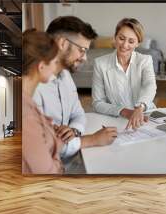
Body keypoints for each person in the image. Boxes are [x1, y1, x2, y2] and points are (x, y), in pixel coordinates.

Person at [33, 16, 117, 170]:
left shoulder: (65, 76)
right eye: (82, 50)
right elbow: (42, 147)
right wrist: (92, 140)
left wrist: (74, 130)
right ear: (63, 44)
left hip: (71, 157)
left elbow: (78, 113)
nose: (85, 58)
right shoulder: (34, 86)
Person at [92, 18, 157, 130]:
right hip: (115, 119)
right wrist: (124, 111)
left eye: (131, 41)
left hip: (145, 117)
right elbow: (97, 103)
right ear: (115, 37)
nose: (124, 45)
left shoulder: (145, 60)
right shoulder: (100, 63)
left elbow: (150, 85)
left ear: (137, 43)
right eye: (121, 38)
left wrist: (139, 108)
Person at [22, 29, 63, 174]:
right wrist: (58, 144)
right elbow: (49, 174)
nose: (56, 68)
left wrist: (50, 131)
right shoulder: (27, 116)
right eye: (55, 62)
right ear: (41, 66)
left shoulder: (26, 101)